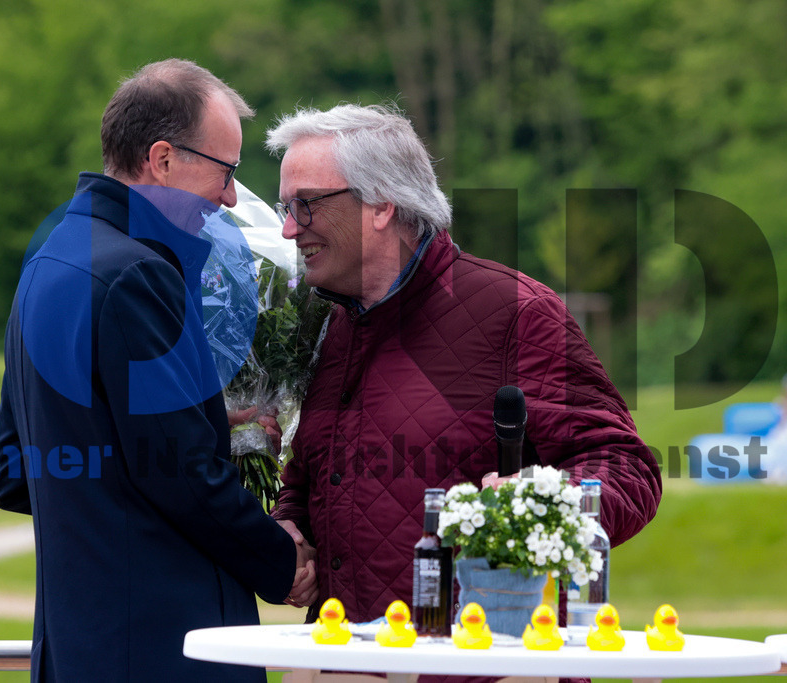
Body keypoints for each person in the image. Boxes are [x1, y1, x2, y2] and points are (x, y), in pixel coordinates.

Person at [265, 103, 662, 624]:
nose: (290, 230)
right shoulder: (323, 329)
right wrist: (288, 531)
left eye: (307, 205)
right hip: (346, 658)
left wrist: (539, 505)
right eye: (285, 208)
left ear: (381, 203)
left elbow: (626, 467)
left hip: (489, 666)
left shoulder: (517, 312)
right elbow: (309, 485)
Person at [0, 59, 306, 682]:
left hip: (79, 647)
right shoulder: (138, 275)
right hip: (165, 648)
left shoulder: (49, 259)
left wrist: (210, 421)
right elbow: (181, 476)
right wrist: (281, 560)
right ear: (162, 160)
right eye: (226, 171)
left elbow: (15, 472)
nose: (231, 197)